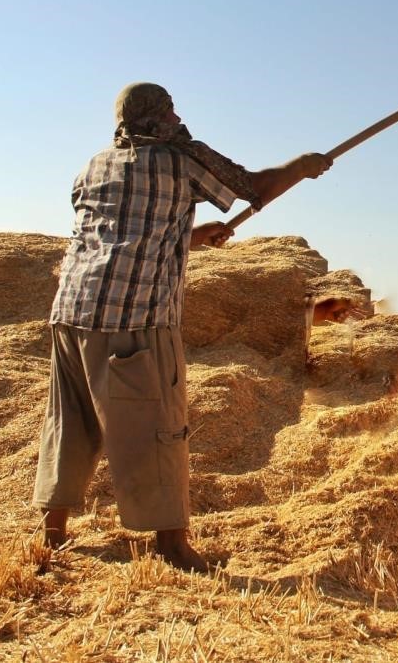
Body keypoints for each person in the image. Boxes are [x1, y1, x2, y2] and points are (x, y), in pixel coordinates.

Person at [33, 82, 332, 572]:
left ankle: (52, 530)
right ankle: (171, 546)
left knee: (71, 420)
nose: (177, 116)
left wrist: (186, 237)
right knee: (159, 427)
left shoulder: (93, 165)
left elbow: (119, 231)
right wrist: (302, 166)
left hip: (71, 311)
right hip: (137, 317)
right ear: (156, 116)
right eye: (169, 109)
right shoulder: (180, 159)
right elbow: (252, 188)